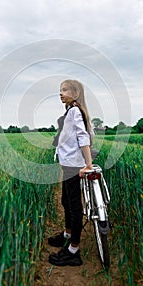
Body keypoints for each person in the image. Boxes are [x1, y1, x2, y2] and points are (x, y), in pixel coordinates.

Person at [48, 79, 93, 267]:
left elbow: (83, 136)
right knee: (65, 201)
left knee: (74, 206)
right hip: (68, 163)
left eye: (65, 90)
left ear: (76, 93)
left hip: (74, 165)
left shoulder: (75, 110)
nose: (61, 93)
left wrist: (88, 164)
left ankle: (74, 250)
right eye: (60, 90)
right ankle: (67, 234)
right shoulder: (71, 110)